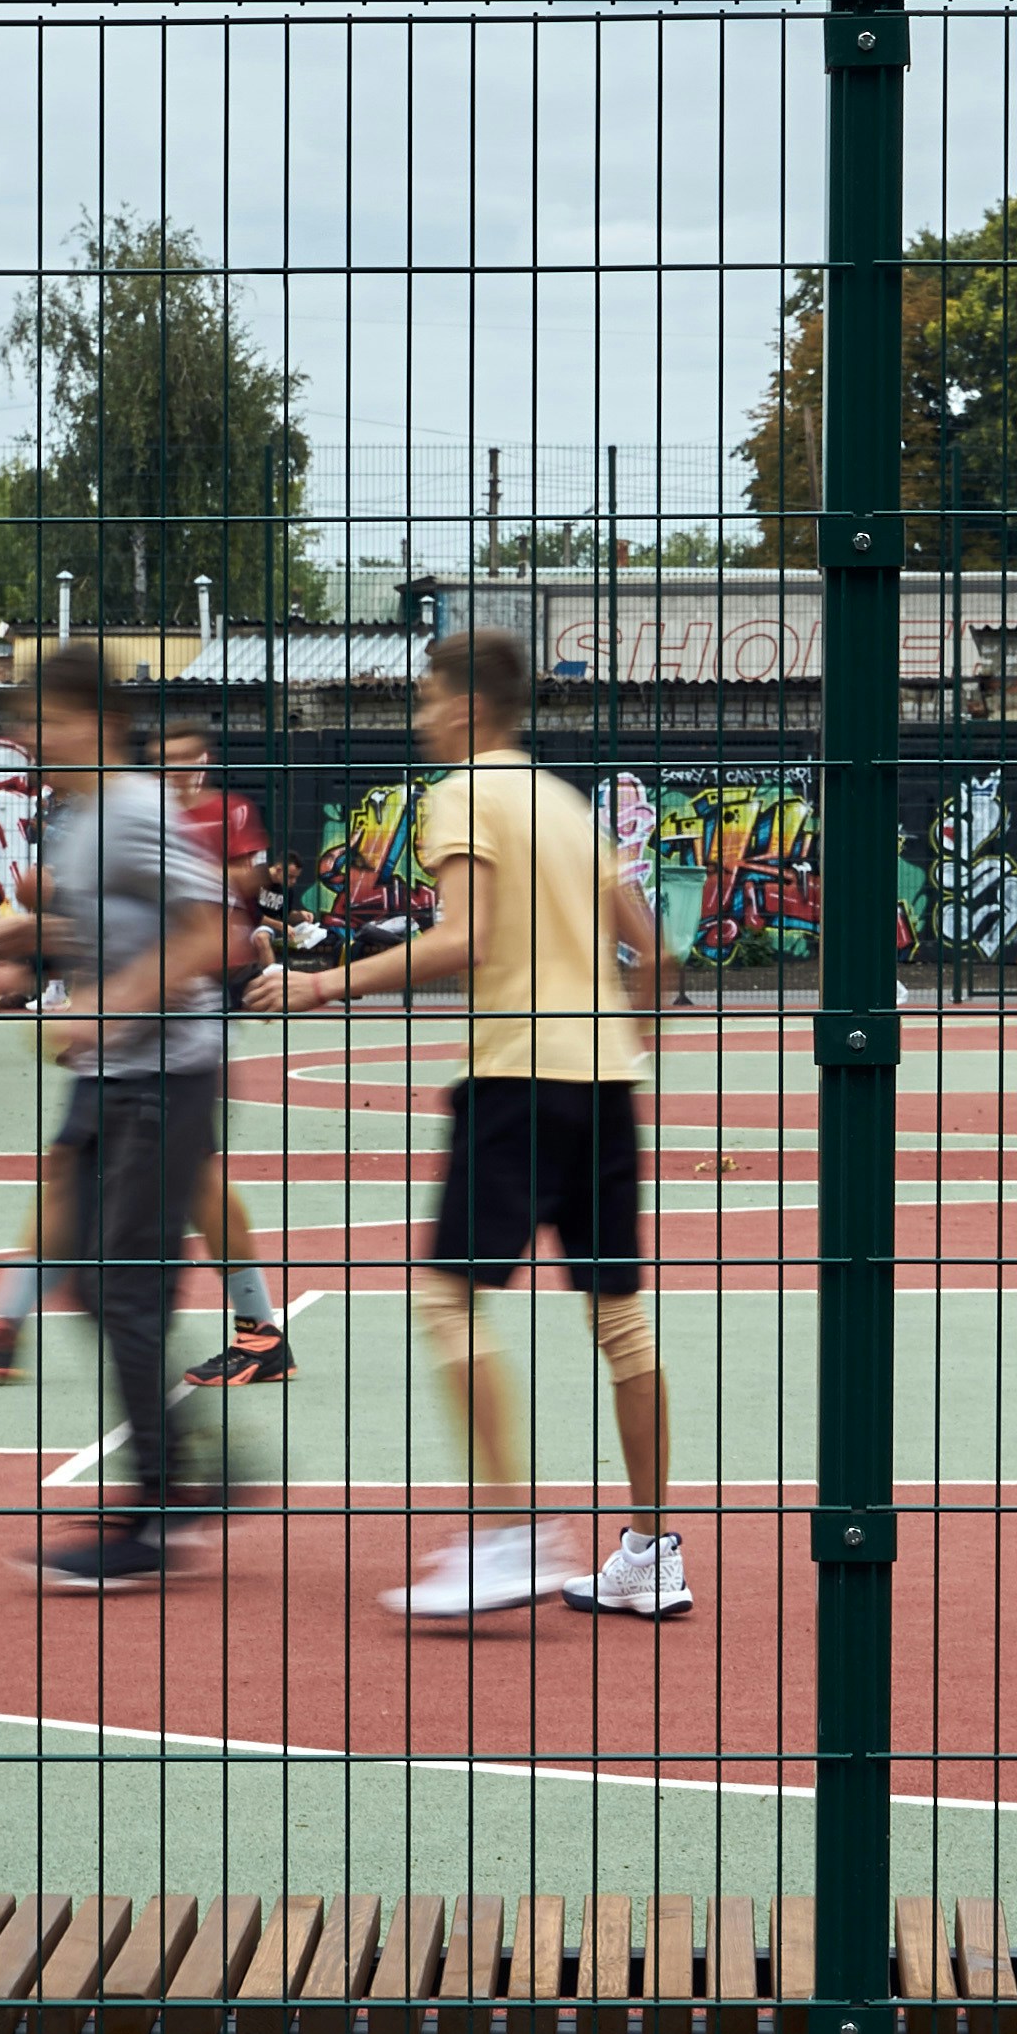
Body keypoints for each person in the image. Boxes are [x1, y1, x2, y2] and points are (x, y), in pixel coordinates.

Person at [246, 630, 684, 1622]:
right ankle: (651, 1551)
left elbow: (468, 936)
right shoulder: (566, 805)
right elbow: (655, 955)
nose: (418, 718)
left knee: (448, 1301)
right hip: (603, 1087)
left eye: (425, 699)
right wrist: (626, 1040)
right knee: (619, 1320)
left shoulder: (465, 792)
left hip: (517, 1078)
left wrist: (321, 987)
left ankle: (510, 1532)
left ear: (466, 706)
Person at [0, 644, 229, 1593]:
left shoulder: (134, 809)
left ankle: (158, 1507)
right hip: (107, 1074)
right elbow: (114, 927)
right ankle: (190, 1467)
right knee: (83, 1274)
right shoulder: (79, 818)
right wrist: (28, 945)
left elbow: (211, 934)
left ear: (102, 723)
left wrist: (108, 1004)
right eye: (25, 723)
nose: (31, 736)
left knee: (126, 1290)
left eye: (47, 720)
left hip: (165, 1075)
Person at [149, 707, 293, 1389]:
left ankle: (259, 1330)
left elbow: (234, 897)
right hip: (149, 1014)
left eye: (186, 758)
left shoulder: (219, 816)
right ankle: (5, 1324)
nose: (176, 771)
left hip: (184, 1011)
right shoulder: (140, 818)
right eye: (164, 760)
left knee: (192, 1177)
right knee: (78, 1169)